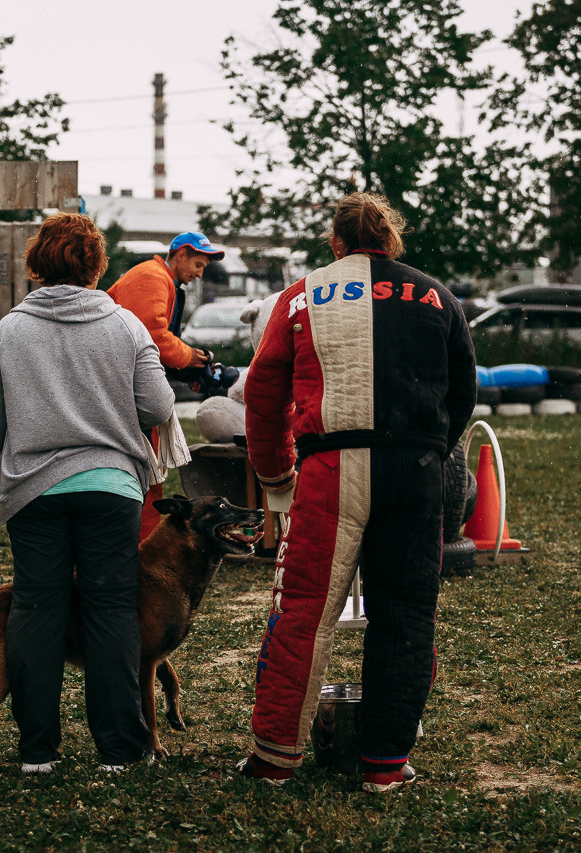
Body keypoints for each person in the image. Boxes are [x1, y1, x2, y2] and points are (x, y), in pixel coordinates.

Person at [237, 192, 477, 794]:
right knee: (405, 617)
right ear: (391, 240)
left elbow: (264, 397)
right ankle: (386, 766)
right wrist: (429, 448)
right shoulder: (436, 294)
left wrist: (274, 477)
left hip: (329, 466)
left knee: (303, 614)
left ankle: (273, 759)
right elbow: (463, 389)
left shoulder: (299, 296)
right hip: (416, 469)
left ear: (335, 242)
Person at [0, 212, 176, 774]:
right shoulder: (127, 327)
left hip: (32, 493)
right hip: (111, 488)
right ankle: (119, 750)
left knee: (37, 608)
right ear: (95, 265)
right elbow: (158, 407)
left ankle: (37, 752)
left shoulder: (9, 330)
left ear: (38, 261)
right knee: (112, 611)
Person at [107, 230, 224, 540]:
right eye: (198, 265)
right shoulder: (153, 277)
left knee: (147, 475)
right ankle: (139, 552)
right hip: (126, 395)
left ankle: (136, 547)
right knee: (143, 475)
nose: (199, 275)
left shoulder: (159, 279)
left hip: (127, 390)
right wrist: (191, 357)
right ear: (181, 254)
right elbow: (153, 338)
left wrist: (188, 366)